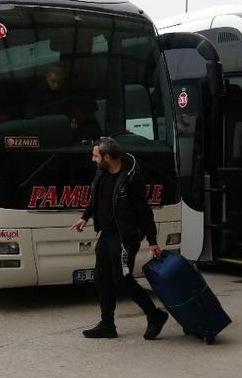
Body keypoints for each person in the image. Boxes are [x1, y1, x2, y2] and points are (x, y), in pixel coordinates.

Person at [71, 137, 169, 339]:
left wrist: (152, 241)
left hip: (125, 238)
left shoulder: (131, 178)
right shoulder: (102, 173)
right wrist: (85, 217)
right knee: (102, 279)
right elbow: (96, 199)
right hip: (106, 235)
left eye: (95, 155)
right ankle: (107, 325)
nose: (93, 159)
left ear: (107, 156)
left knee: (122, 280)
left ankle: (155, 315)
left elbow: (144, 211)